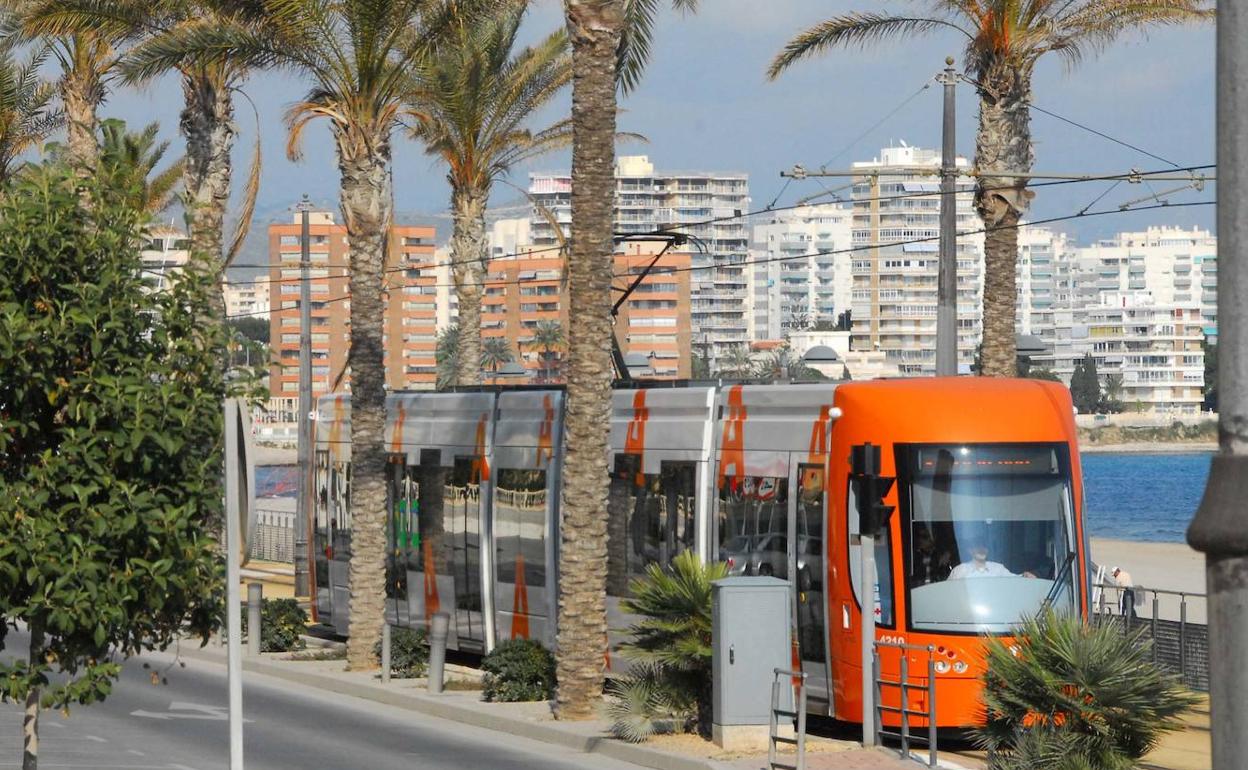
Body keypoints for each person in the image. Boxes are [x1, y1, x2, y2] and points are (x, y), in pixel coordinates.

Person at [949, 542, 1035, 580]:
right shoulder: (959, 571)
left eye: (984, 547)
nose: (981, 550)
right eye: (978, 547)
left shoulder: (998, 568)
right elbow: (949, 592)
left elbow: (1014, 580)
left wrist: (1024, 576)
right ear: (970, 550)